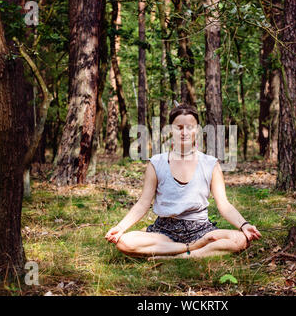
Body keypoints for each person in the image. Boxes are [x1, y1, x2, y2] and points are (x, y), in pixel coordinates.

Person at [105, 104, 261, 259]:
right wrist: (120, 228)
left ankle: (178, 256)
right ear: (170, 130)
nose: (184, 132)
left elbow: (224, 205)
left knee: (241, 239)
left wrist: (244, 225)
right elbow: (143, 204)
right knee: (125, 242)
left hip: (201, 229)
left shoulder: (210, 164)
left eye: (190, 127)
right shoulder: (157, 162)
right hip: (164, 231)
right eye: (179, 127)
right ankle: (192, 248)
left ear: (197, 130)